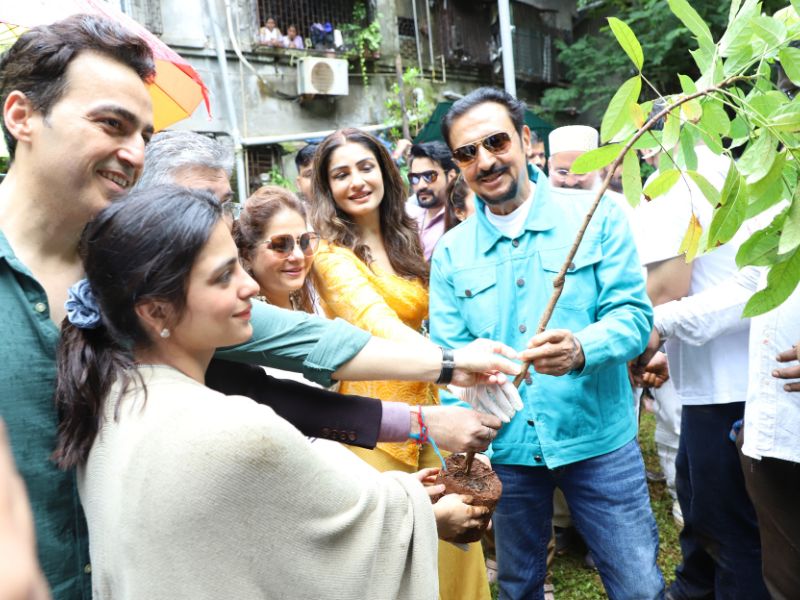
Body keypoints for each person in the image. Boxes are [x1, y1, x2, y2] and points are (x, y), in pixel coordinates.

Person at [0, 20, 519, 599]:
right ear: (21, 116)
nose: (134, 154)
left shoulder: (137, 291)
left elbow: (302, 347)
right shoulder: (150, 301)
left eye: (145, 133)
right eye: (111, 125)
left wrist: (448, 369)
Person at [55, 185, 489, 599]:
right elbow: (333, 542)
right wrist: (425, 516)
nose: (250, 286)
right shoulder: (236, 430)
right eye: (223, 276)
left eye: (238, 267)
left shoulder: (108, 404)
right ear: (156, 311)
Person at [431, 87, 662, 599]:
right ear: (458, 165)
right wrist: (471, 446)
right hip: (508, 450)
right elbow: (450, 361)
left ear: (525, 140)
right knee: (518, 586)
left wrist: (582, 348)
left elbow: (633, 317)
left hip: (598, 439)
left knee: (639, 585)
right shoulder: (450, 253)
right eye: (467, 152)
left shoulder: (596, 215)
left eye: (496, 142)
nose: (485, 161)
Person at [311, 127, 519, 600]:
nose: (356, 181)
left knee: (456, 550)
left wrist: (464, 357)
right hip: (374, 430)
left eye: (365, 167)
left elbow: (438, 319)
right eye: (341, 174)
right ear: (327, 187)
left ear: (385, 172)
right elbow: (379, 325)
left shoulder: (404, 239)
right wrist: (453, 363)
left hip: (431, 418)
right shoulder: (329, 253)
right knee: (400, 560)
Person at [631, 137, 768, 598]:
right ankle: (693, 589)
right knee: (699, 504)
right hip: (719, 378)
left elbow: (665, 289)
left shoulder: (678, 178)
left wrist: (642, 336)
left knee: (730, 530)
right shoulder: (741, 171)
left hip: (727, 390)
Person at [405, 141, 458, 260]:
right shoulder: (408, 215)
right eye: (414, 178)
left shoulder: (461, 218)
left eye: (429, 176)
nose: (421, 185)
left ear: (451, 176)